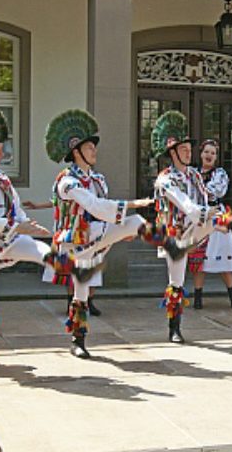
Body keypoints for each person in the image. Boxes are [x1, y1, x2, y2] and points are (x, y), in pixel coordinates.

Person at [0, 101, 93, 373]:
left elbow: (16, 208)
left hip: (9, 238)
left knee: (39, 250)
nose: (0, 154)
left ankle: (68, 266)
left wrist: (31, 227)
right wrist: (18, 228)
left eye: (1, 148)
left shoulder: (3, 180)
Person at [44, 109, 162, 357]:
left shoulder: (98, 179)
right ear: (76, 152)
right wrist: (130, 206)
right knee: (81, 290)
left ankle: (169, 244)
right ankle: (78, 341)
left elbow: (103, 210)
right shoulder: (67, 181)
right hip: (75, 239)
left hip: (96, 233)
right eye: (89, 148)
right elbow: (94, 206)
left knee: (135, 222)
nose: (94, 151)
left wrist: (120, 229)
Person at [152, 111, 232, 342]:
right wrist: (203, 214)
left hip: (195, 225)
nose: (189, 153)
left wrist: (211, 214)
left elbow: (203, 199)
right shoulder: (165, 178)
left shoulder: (195, 175)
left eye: (190, 150)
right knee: (176, 280)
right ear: (172, 153)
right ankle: (174, 328)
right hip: (175, 234)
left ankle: (222, 224)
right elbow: (185, 203)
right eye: (184, 150)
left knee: (216, 219)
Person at [188, 139, 232, 310]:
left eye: (213, 153)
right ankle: (198, 298)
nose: (209, 155)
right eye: (206, 152)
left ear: (216, 156)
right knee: (199, 260)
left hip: (217, 214)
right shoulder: (192, 172)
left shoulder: (220, 173)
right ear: (201, 154)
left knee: (223, 258)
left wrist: (198, 190)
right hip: (199, 216)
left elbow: (214, 191)